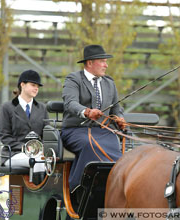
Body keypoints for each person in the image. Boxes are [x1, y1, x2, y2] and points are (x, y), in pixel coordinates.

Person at [61, 44, 126, 192]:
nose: (106, 65)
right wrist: (87, 111)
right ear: (90, 63)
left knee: (115, 147)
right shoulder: (74, 79)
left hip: (103, 131)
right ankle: (78, 187)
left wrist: (120, 118)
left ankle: (109, 186)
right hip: (75, 130)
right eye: (102, 61)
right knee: (89, 144)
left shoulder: (109, 83)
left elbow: (116, 108)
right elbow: (70, 103)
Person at [0, 69, 49, 179]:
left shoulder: (42, 108)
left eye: (38, 86)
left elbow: (47, 133)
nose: (36, 88)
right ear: (22, 85)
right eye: (33, 85)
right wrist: (25, 148)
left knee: (51, 161)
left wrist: (42, 148)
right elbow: (4, 136)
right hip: (13, 154)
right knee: (39, 161)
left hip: (38, 152)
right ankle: (37, 195)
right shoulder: (7, 107)